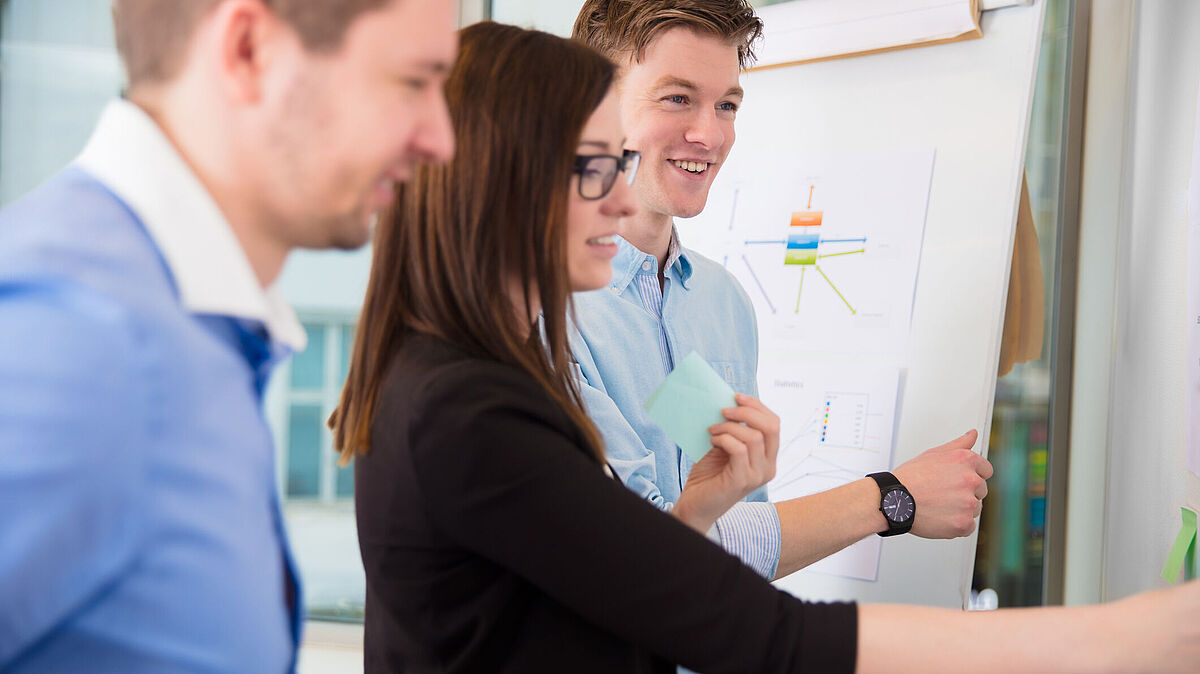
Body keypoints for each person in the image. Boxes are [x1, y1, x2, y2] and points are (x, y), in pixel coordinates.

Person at [334, 19, 1200, 674]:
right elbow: (747, 628)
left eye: (727, 105)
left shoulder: (694, 313)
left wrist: (702, 510)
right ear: (506, 174)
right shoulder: (471, 406)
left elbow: (623, 575)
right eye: (598, 164)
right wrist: (1136, 636)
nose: (619, 197)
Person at [0, 0, 455, 670]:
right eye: (413, 82)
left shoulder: (178, 322)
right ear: (248, 50)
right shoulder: (80, 340)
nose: (440, 139)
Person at [570, 0, 992, 580]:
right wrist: (891, 498)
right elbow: (633, 546)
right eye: (677, 98)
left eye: (727, 105)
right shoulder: (537, 307)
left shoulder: (723, 304)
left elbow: (739, 527)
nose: (709, 133)